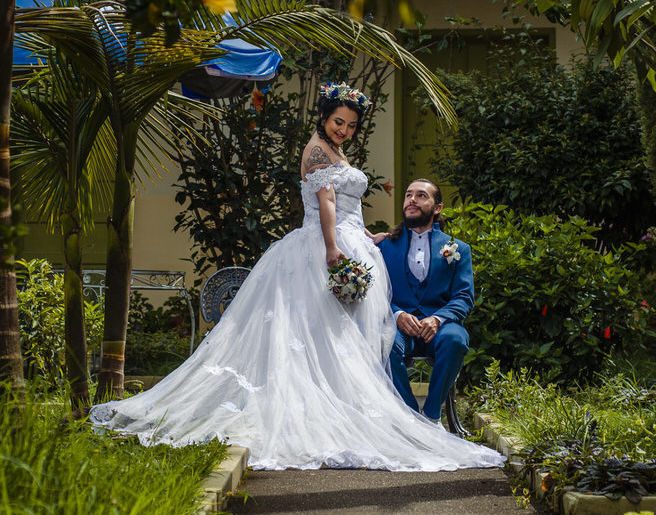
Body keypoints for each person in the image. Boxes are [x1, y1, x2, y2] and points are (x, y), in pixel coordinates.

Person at [89, 82, 503, 473]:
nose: (344, 130)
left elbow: (348, 206)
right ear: (324, 116)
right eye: (338, 121)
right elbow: (327, 203)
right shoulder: (317, 151)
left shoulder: (336, 151)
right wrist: (332, 248)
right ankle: (335, 415)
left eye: (351, 125)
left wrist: (365, 235)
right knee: (319, 335)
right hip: (321, 247)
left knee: (345, 339)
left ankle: (351, 411)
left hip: (352, 240)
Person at [372, 179, 472, 421]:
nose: (412, 200)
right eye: (408, 195)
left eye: (421, 195)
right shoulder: (383, 247)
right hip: (398, 326)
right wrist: (397, 314)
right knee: (383, 342)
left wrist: (437, 319)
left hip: (440, 327)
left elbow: (464, 296)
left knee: (456, 340)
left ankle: (431, 416)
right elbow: (375, 292)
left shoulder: (458, 249)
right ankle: (411, 418)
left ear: (437, 208)